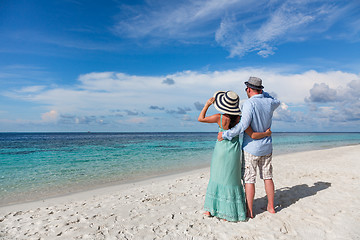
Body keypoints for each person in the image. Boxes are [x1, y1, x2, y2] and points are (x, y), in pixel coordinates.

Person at [198, 90, 271, 222]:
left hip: (220, 151)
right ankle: (227, 212)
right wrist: (266, 134)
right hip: (233, 153)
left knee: (216, 176)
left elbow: (200, 118)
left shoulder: (219, 118)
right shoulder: (240, 120)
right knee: (231, 180)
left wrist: (207, 104)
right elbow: (253, 135)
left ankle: (210, 209)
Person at [218, 77, 280, 219]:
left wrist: (226, 134)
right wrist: (263, 93)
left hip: (251, 148)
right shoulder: (270, 102)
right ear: (261, 89)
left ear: (249, 89)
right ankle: (271, 206)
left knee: (249, 179)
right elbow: (277, 100)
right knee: (268, 177)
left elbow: (243, 125)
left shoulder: (249, 104)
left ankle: (250, 211)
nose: (246, 91)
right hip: (266, 147)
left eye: (247, 88)